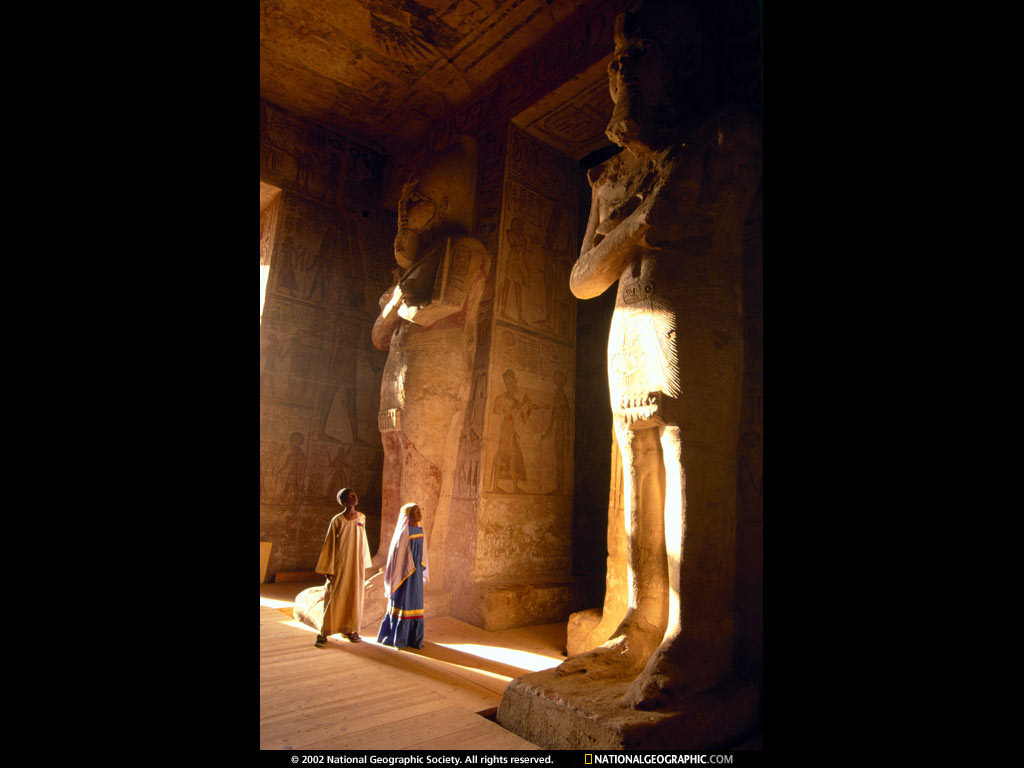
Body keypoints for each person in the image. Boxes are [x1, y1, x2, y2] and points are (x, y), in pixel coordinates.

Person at [555, 0, 761, 710]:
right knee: (637, 477)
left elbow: (707, 223)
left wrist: (644, 227)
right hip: (628, 332)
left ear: (686, 63)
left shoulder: (727, 133)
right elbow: (584, 279)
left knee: (691, 467)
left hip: (693, 321)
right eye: (616, 61)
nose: (622, 71)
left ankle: (697, 633)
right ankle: (643, 624)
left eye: (639, 54)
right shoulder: (613, 177)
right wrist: (641, 223)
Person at [313, 487, 375, 646]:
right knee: (334, 596)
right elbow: (330, 544)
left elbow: (363, 541)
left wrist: (364, 562)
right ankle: (324, 632)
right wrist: (329, 568)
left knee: (354, 596)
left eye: (355, 495)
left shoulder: (362, 517)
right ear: (344, 501)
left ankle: (350, 630)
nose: (355, 497)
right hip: (340, 563)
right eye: (350, 496)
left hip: (356, 563)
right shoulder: (337, 520)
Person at [376, 502, 429, 650]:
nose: (419, 513)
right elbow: (398, 557)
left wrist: (421, 565)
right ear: (408, 515)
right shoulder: (403, 533)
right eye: (416, 511)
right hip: (405, 574)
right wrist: (406, 568)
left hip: (416, 572)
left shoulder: (420, 530)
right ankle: (399, 637)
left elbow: (423, 551)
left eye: (419, 510)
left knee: (415, 602)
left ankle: (413, 638)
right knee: (404, 602)